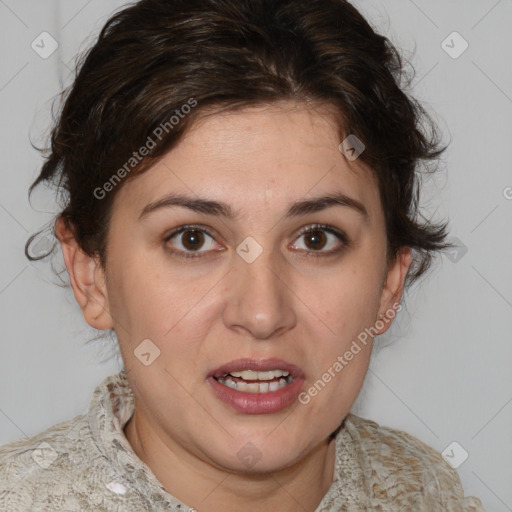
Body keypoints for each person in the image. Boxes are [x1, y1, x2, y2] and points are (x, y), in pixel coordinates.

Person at [0, 0, 487, 510]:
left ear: (390, 281)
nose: (261, 314)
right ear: (90, 276)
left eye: (317, 238)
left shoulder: (428, 491)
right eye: (192, 239)